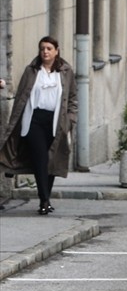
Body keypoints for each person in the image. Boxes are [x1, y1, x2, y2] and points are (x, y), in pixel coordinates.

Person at [0, 36, 78, 215]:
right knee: (40, 160)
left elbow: (73, 98)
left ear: (56, 51)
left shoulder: (65, 71)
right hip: (34, 119)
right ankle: (44, 200)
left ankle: (45, 198)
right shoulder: (32, 70)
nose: (45, 52)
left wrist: (70, 119)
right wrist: (14, 125)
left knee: (51, 161)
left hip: (56, 121)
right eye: (43, 48)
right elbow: (21, 97)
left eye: (49, 48)